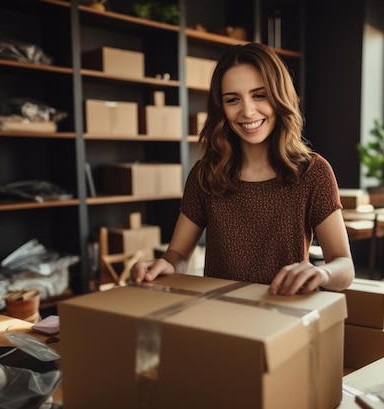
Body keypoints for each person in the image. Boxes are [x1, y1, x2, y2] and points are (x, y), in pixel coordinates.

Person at [131, 42, 354, 296]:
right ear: (221, 108)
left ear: (280, 96)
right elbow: (179, 255)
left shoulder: (313, 172)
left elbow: (345, 268)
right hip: (222, 317)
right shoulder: (205, 174)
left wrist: (323, 272)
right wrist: (164, 264)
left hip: (285, 320)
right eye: (233, 99)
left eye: (259, 95)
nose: (247, 111)